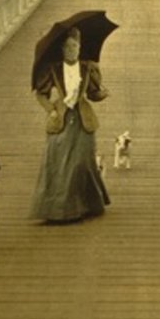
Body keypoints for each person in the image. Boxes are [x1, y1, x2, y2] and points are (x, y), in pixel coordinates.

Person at [30, 27, 111, 221]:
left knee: (82, 161)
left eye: (74, 46)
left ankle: (84, 205)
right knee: (58, 159)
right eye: (67, 47)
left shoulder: (87, 67)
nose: (71, 50)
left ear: (80, 47)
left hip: (83, 117)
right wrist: (51, 110)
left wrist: (102, 94)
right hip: (62, 117)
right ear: (62, 49)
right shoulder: (54, 69)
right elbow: (41, 94)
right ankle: (58, 209)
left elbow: (93, 93)